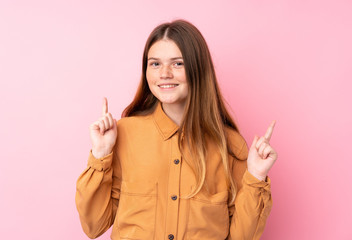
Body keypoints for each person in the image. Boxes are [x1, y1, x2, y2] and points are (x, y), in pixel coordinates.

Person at [75, 19, 277, 240]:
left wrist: (256, 176)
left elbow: (242, 236)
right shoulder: (123, 136)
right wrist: (100, 155)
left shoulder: (229, 146)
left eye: (178, 63)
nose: (165, 73)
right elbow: (93, 226)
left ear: (198, 69)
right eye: (155, 64)